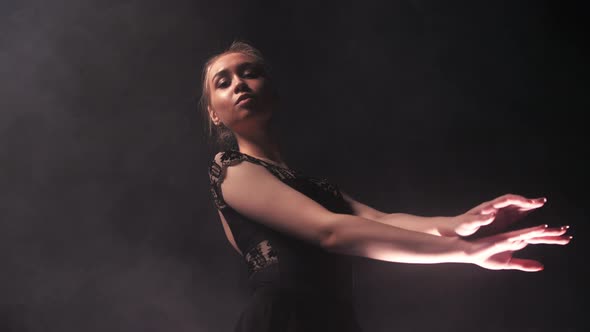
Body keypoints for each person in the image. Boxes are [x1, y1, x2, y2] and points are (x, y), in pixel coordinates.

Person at [199, 41, 571, 332]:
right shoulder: (230, 168)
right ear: (215, 112)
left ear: (272, 89)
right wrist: (464, 251)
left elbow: (381, 219)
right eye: (224, 81)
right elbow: (332, 231)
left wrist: (457, 223)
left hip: (335, 320)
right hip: (282, 322)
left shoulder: (314, 186)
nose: (239, 84)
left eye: (250, 73)